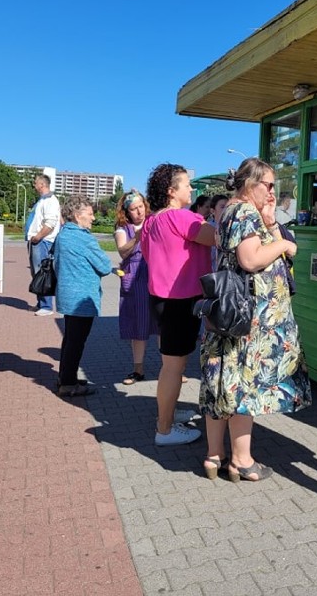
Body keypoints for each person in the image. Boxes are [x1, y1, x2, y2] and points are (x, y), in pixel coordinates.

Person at [199, 157, 311, 481]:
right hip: (249, 320)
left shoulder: (232, 211)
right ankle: (242, 461)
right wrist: (283, 243)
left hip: (231, 314)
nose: (273, 192)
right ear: (251, 184)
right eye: (269, 185)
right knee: (242, 388)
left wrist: (272, 221)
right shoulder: (244, 211)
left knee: (221, 384)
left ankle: (214, 456)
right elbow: (250, 259)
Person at [141, 163, 216, 446]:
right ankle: (164, 429)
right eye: (186, 185)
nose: (192, 189)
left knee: (171, 365)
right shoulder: (182, 218)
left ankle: (168, 414)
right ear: (172, 191)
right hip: (180, 301)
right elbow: (219, 237)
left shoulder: (152, 221)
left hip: (161, 299)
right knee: (173, 368)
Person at [54, 196, 114, 397]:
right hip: (82, 298)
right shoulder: (84, 238)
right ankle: (69, 384)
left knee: (70, 339)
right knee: (76, 342)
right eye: (90, 213)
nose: (93, 218)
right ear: (78, 216)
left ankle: (66, 376)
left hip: (67, 295)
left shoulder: (62, 235)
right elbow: (105, 266)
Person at [114, 190, 158, 385]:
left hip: (156, 275)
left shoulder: (154, 221)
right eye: (134, 209)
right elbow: (123, 252)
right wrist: (138, 237)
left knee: (161, 325)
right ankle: (138, 370)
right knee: (139, 326)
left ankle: (171, 370)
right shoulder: (123, 229)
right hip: (135, 278)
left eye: (141, 206)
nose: (139, 211)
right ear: (127, 212)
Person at [26, 173, 61, 316]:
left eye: (35, 183)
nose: (34, 186)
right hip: (36, 241)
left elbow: (50, 223)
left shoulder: (51, 201)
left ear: (42, 184)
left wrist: (38, 237)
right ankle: (41, 303)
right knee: (36, 272)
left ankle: (46, 306)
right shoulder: (42, 200)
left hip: (43, 241)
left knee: (43, 272)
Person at [208, 193, 229, 269]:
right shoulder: (208, 228)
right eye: (222, 207)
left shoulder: (230, 226)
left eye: (228, 207)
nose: (226, 210)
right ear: (213, 211)